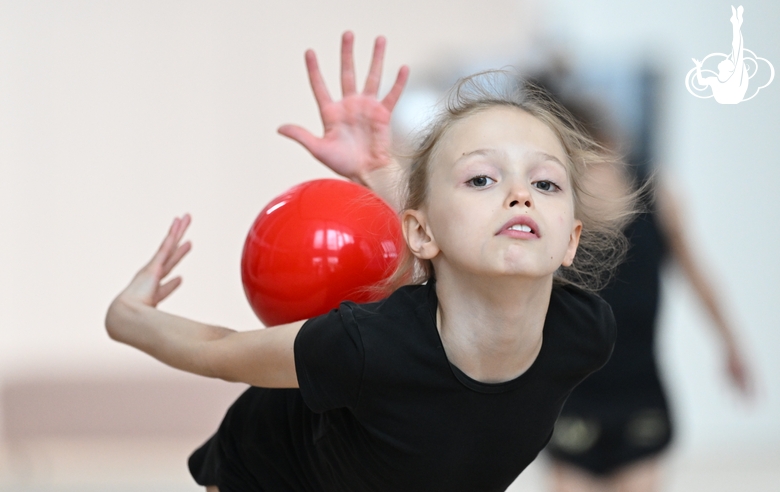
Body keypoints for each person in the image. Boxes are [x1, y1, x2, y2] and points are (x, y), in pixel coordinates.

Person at [105, 32, 637, 492]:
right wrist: (130, 318)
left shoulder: (585, 332)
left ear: (570, 239)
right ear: (421, 232)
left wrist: (380, 170)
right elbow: (220, 352)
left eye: (545, 182)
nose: (521, 194)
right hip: (272, 473)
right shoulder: (367, 345)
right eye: (481, 178)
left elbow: (443, 241)